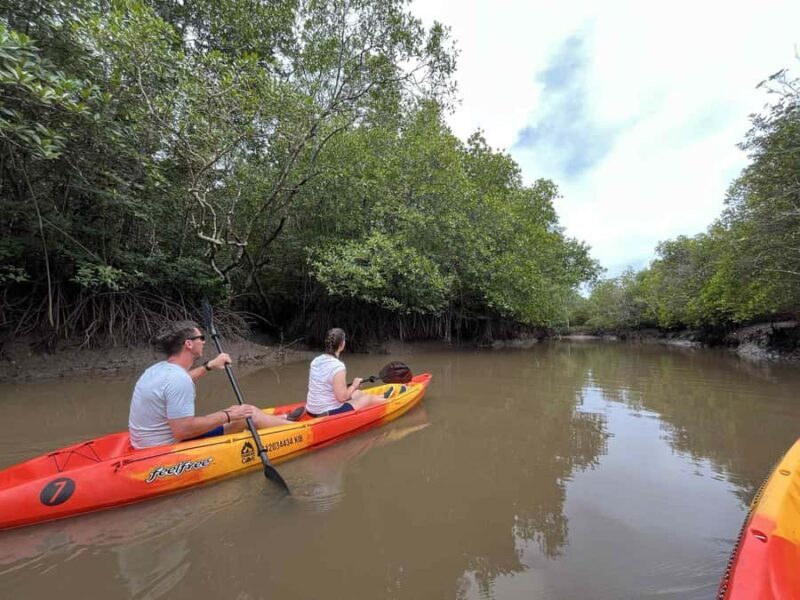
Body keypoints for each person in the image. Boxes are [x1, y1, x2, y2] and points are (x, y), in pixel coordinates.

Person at [128, 320, 287, 449]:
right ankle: (300, 427)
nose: (204, 342)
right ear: (189, 344)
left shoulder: (155, 370)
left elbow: (179, 382)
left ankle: (280, 419)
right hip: (166, 448)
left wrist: (208, 366)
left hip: (145, 443)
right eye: (201, 338)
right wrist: (229, 416)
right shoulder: (178, 379)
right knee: (248, 414)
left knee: (236, 410)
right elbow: (183, 431)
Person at [305, 327, 386, 417]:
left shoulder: (315, 361)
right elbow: (342, 398)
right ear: (342, 344)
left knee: (358, 393)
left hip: (311, 410)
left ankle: (383, 396)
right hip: (325, 412)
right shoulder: (338, 366)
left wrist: (354, 388)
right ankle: (391, 401)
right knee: (367, 399)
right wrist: (354, 385)